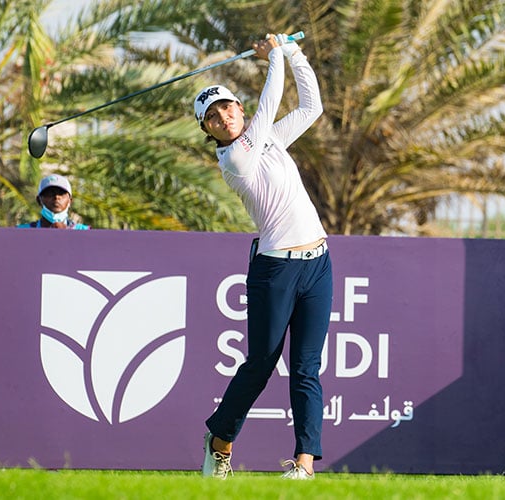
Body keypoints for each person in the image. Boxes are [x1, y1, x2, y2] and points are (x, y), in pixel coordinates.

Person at [194, 33, 331, 481]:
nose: (223, 117)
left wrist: (294, 53)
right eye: (212, 117)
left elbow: (312, 108)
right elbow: (270, 102)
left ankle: (305, 465)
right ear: (208, 131)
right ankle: (219, 445)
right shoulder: (234, 159)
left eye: (228, 108)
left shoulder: (268, 137)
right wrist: (274, 55)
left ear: (239, 109)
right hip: (275, 270)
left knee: (307, 368)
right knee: (260, 366)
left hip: (317, 264)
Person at [17, 174, 90, 230]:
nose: (56, 197)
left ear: (70, 201)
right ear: (39, 200)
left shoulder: (85, 231)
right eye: (49, 193)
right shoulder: (21, 232)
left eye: (61, 193)